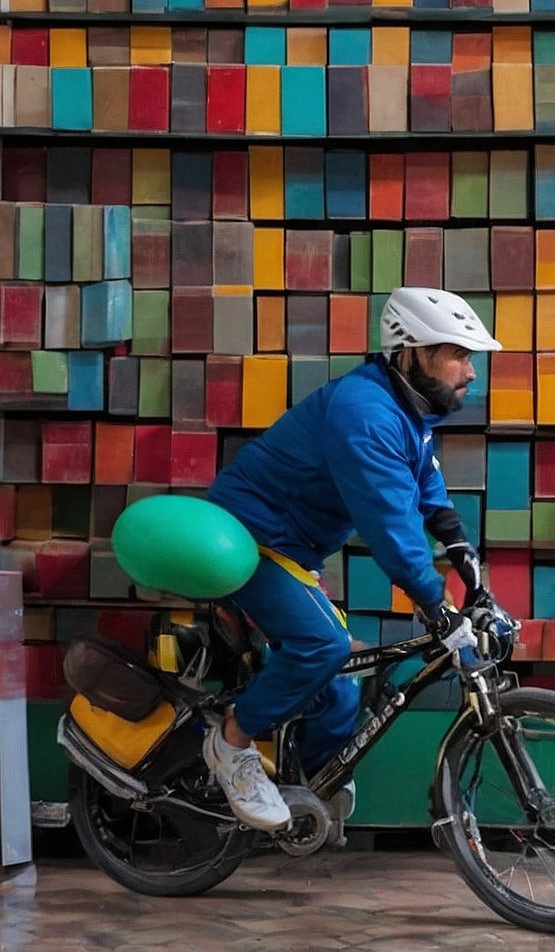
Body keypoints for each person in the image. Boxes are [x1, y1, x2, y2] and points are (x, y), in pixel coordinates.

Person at [200, 286, 499, 830]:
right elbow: (391, 527)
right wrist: (436, 605)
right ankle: (230, 743)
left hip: (293, 549)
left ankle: (310, 787)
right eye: (458, 354)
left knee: (340, 687)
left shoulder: (408, 411)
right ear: (413, 353)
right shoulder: (365, 413)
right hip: (251, 536)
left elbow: (426, 489)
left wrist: (467, 561)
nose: (471, 371)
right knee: (323, 645)